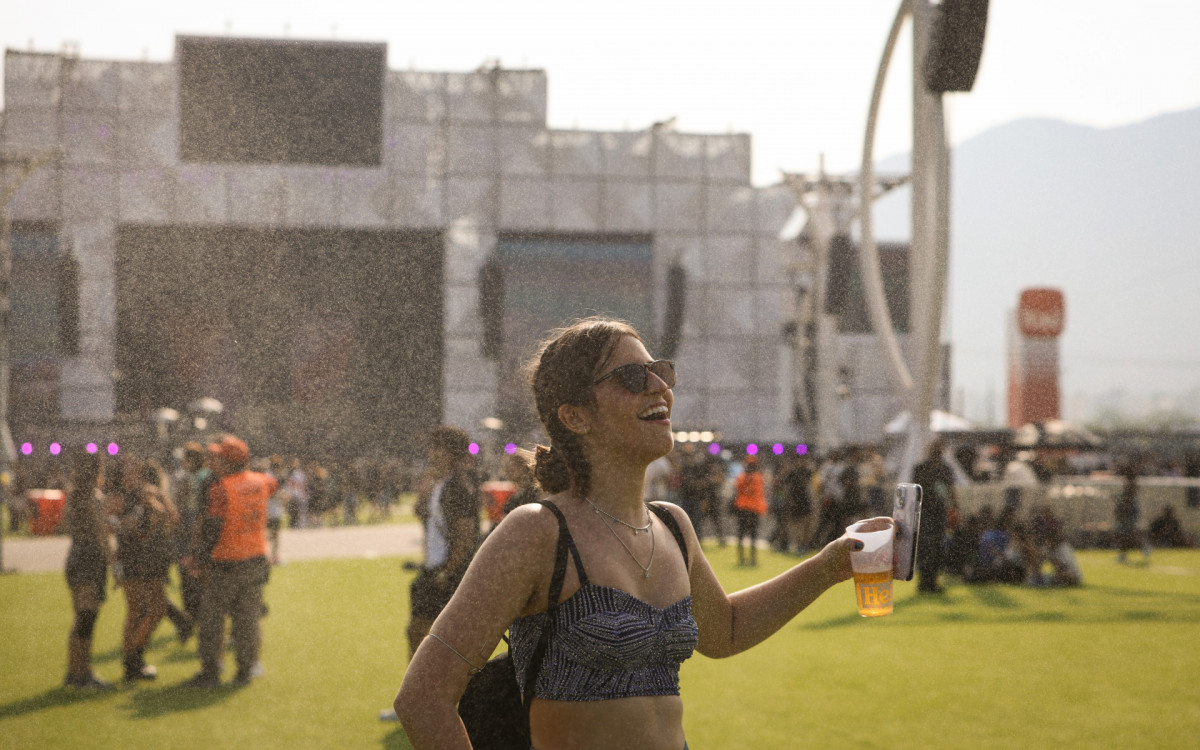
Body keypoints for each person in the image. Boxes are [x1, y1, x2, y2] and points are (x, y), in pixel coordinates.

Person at [394, 316, 880, 750]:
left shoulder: (672, 523)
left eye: (660, 371)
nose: (658, 387)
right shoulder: (537, 532)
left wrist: (830, 565)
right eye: (631, 376)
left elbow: (724, 630)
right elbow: (423, 698)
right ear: (575, 415)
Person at [183, 434, 276, 687]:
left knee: (212, 619)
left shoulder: (220, 489)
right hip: (255, 560)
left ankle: (210, 672)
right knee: (247, 621)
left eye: (218, 458)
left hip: (226, 562)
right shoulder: (261, 481)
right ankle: (244, 672)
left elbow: (213, 529)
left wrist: (198, 560)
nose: (213, 462)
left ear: (228, 462)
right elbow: (273, 484)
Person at [113, 455, 179, 682]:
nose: (133, 476)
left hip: (155, 556)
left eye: (136, 472)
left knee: (159, 608)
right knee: (136, 610)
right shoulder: (119, 497)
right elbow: (120, 527)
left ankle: (138, 653)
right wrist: (141, 508)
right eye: (128, 472)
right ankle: (130, 663)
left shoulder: (153, 493)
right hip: (131, 556)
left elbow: (173, 519)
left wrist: (159, 501)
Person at [62, 449, 115, 689]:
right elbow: (101, 533)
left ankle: (74, 673)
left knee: (80, 619)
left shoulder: (73, 495)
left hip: (74, 556)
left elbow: (66, 525)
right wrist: (114, 563)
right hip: (90, 558)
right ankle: (83, 674)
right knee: (88, 618)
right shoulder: (92, 497)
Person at [911, 439, 955, 594]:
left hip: (939, 512)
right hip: (924, 512)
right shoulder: (920, 468)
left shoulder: (945, 469)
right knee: (925, 548)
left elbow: (950, 489)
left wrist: (955, 508)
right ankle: (924, 582)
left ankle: (933, 582)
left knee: (937, 548)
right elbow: (913, 491)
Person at [732, 456, 767, 566]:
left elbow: (737, 489)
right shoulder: (758, 477)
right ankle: (752, 559)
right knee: (752, 535)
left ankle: (742, 559)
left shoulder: (741, 477)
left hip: (743, 508)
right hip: (753, 509)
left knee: (742, 534)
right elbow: (760, 493)